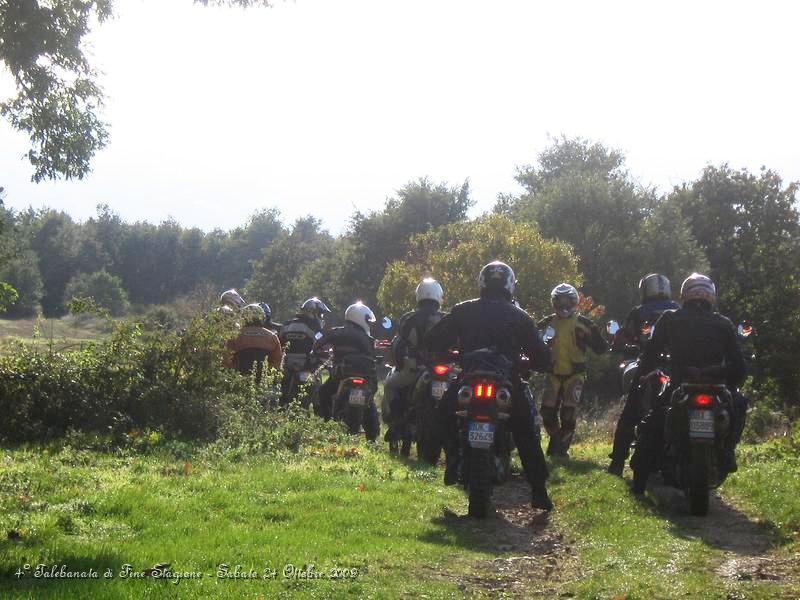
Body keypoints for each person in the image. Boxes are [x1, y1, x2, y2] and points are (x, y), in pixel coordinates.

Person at [423, 261, 554, 511]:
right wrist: (532, 363)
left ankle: (451, 463)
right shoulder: (521, 316)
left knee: (441, 416)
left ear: (482, 283)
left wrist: (448, 356)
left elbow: (433, 341)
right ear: (510, 285)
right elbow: (543, 357)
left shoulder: (463, 310)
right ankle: (539, 491)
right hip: (507, 381)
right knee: (526, 430)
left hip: (469, 378)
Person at [632, 273, 748, 490]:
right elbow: (739, 366)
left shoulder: (670, 318)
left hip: (680, 382)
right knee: (739, 404)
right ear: (711, 297)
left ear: (685, 295)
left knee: (653, 421)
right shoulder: (723, 323)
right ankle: (728, 450)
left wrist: (643, 373)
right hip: (716, 385)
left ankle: (639, 481)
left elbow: (651, 352)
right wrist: (728, 380)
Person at [607, 274, 680, 476]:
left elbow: (621, 338)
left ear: (645, 290)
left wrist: (619, 345)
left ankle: (617, 463)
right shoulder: (678, 309)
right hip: (676, 366)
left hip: (649, 364)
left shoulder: (639, 312)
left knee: (630, 413)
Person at [537, 283, 606, 457]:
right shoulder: (545, 323)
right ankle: (556, 439)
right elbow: (533, 344)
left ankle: (561, 450)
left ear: (574, 302)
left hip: (575, 375)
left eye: (568, 301)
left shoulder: (583, 324)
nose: (563, 305)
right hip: (552, 373)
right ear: (554, 302)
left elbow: (601, 348)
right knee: (546, 412)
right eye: (559, 301)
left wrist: (597, 334)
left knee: (568, 412)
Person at [383, 278, 446, 448]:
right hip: (446, 370)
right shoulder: (447, 318)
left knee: (390, 386)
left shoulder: (408, 318)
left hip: (414, 368)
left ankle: (397, 422)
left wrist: (401, 363)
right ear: (439, 296)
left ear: (419, 295)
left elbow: (398, 344)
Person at [313, 301, 379, 436]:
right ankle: (372, 439)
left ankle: (326, 423)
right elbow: (373, 357)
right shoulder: (368, 338)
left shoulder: (336, 332)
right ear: (361, 318)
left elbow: (317, 345)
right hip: (365, 378)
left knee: (323, 393)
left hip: (340, 375)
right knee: (370, 402)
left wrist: (317, 353)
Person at [279, 297, 331, 403]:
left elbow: (279, 342)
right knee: (324, 377)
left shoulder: (287, 324)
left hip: (286, 364)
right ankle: (319, 403)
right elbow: (321, 343)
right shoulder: (314, 326)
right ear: (313, 312)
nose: (321, 317)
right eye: (320, 314)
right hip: (306, 364)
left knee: (280, 387)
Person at [225, 303, 283, 384]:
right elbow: (277, 362)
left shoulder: (235, 335)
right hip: (264, 382)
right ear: (262, 318)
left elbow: (227, 360)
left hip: (240, 382)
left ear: (244, 317)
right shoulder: (272, 336)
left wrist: (236, 374)